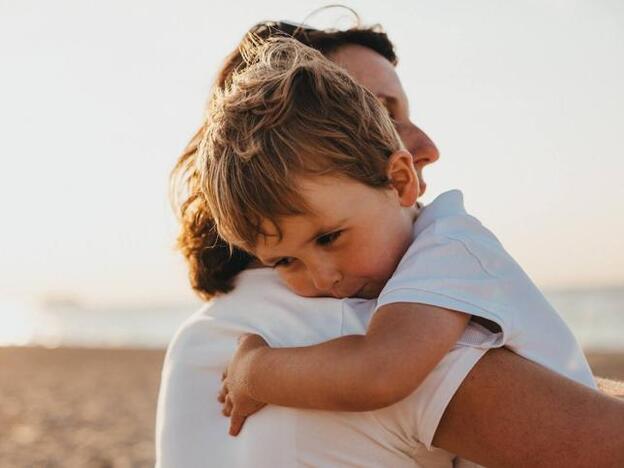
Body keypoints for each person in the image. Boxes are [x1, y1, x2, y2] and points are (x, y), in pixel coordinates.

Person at [157, 19, 624, 468]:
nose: (429, 145)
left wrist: (254, 369)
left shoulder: (205, 334)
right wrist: (254, 370)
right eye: (380, 111)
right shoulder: (351, 324)